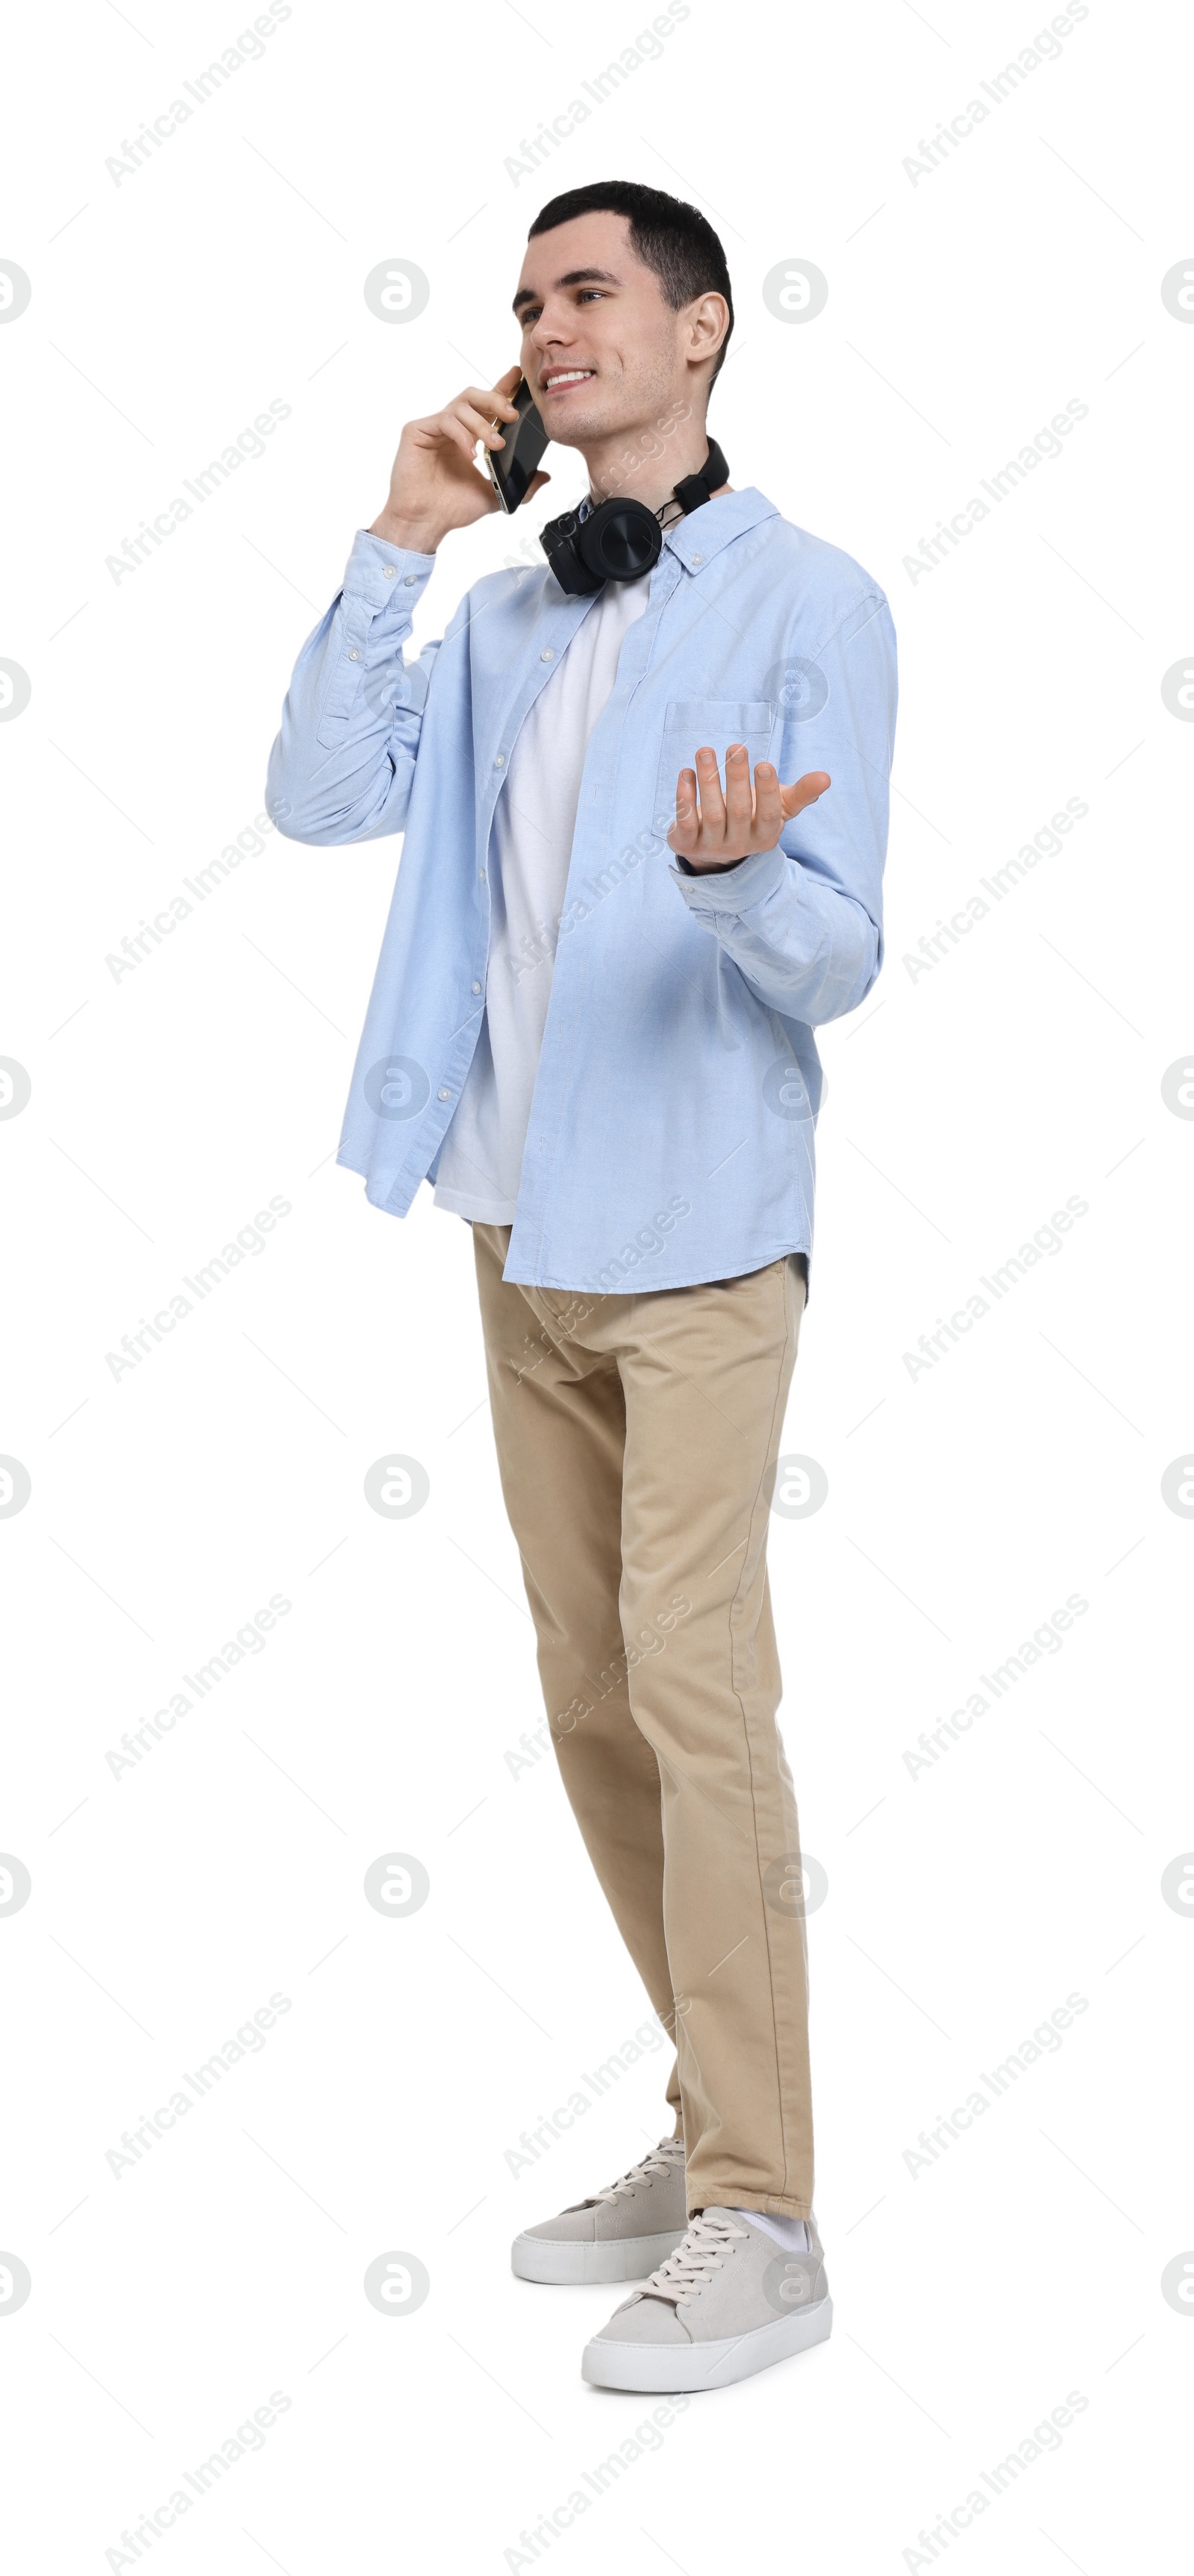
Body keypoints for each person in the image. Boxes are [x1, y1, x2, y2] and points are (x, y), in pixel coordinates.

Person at [266, 178, 897, 2393]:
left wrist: (736, 881)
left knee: (697, 1693)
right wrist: (404, 535)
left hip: (705, 1238)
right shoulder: (516, 616)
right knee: (592, 1697)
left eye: (591, 291)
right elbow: (318, 795)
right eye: (527, 302)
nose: (546, 328)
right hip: (515, 1228)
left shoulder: (814, 601)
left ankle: (767, 2208)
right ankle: (710, 2111)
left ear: (704, 328)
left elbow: (841, 950)